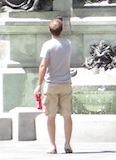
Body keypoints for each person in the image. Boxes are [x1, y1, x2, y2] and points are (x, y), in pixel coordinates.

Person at [35, 17, 73, 155]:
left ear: (49, 30)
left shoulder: (48, 45)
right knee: (67, 116)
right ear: (62, 29)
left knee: (50, 116)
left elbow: (43, 65)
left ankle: (52, 145)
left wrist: (39, 84)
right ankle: (67, 144)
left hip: (51, 83)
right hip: (66, 83)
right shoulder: (68, 44)